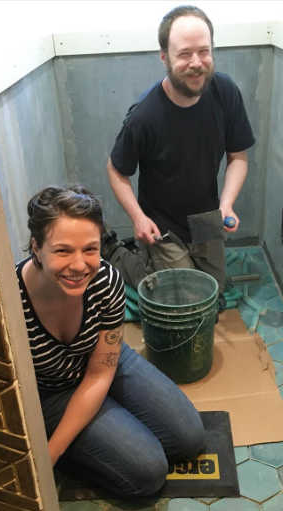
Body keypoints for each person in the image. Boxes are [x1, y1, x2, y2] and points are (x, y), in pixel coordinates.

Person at [16, 184, 205, 497]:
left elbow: (100, 373)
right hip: (52, 390)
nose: (79, 266)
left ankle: (104, 423)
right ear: (36, 247)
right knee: (148, 473)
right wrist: (52, 451)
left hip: (104, 361)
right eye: (63, 250)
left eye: (89, 249)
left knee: (190, 438)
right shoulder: (11, 300)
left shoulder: (105, 280)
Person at [103, 5, 255, 311]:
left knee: (213, 293)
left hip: (206, 218)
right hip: (163, 224)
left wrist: (225, 205)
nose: (196, 62)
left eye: (204, 51)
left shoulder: (225, 91)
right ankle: (116, 252)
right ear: (164, 57)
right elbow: (116, 170)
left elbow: (238, 156)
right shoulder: (144, 116)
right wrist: (138, 218)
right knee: (186, 300)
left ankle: (175, 263)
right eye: (184, 53)